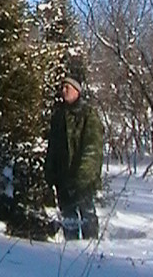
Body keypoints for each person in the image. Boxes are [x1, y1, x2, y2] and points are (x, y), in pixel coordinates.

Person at [44, 63, 103, 240]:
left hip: (83, 181)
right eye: (62, 87)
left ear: (77, 90)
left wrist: (82, 178)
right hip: (63, 180)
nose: (63, 91)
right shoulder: (59, 116)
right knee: (69, 222)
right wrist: (50, 175)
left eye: (67, 87)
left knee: (87, 219)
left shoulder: (88, 115)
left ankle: (91, 251)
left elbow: (92, 149)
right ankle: (71, 252)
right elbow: (53, 148)